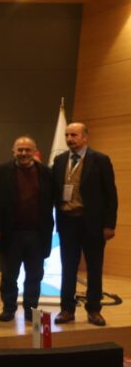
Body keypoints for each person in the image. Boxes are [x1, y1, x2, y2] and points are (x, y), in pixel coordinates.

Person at [52, 122, 118, 326]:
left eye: (74, 135)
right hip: (67, 222)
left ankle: (94, 310)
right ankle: (67, 309)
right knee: (68, 267)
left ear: (85, 138)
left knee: (94, 268)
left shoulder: (100, 160)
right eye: (67, 135)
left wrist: (109, 225)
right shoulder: (60, 159)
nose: (69, 139)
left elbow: (111, 196)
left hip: (93, 224)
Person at [0, 136, 54, 322]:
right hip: (11, 234)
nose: (24, 153)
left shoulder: (46, 173)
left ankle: (31, 310)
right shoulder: (0, 172)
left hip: (37, 234)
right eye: (20, 150)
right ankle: (9, 308)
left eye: (28, 150)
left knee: (35, 275)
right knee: (9, 276)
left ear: (35, 151)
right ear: (13, 151)